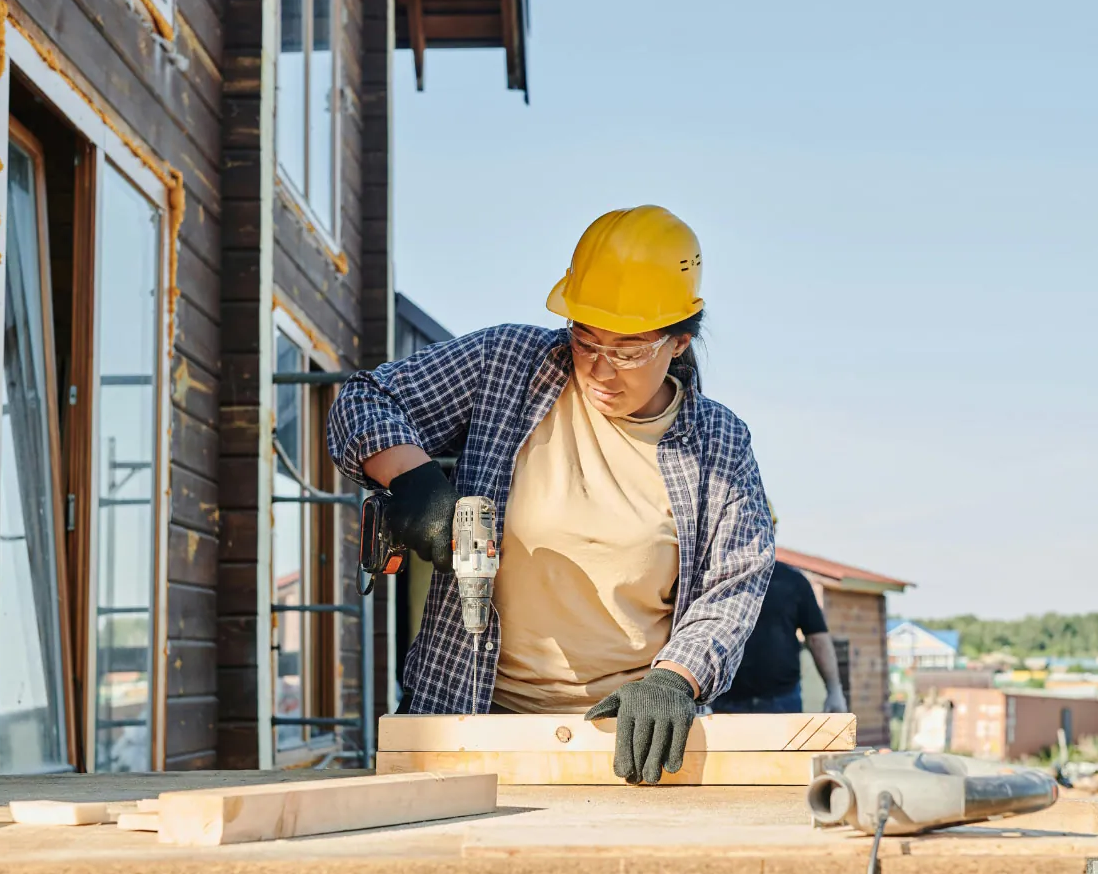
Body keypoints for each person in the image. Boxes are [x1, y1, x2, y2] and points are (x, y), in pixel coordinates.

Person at [328, 205, 774, 785]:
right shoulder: (508, 365)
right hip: (463, 714)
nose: (600, 370)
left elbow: (734, 585)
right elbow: (364, 400)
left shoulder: (719, 443)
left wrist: (676, 679)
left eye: (629, 350)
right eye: (586, 340)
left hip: (627, 741)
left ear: (680, 341)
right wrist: (413, 479)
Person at [711, 503, 848, 715]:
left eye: (762, 528)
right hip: (726, 701)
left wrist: (834, 690)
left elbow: (817, 639)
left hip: (782, 702)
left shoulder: (794, 582)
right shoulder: (718, 580)